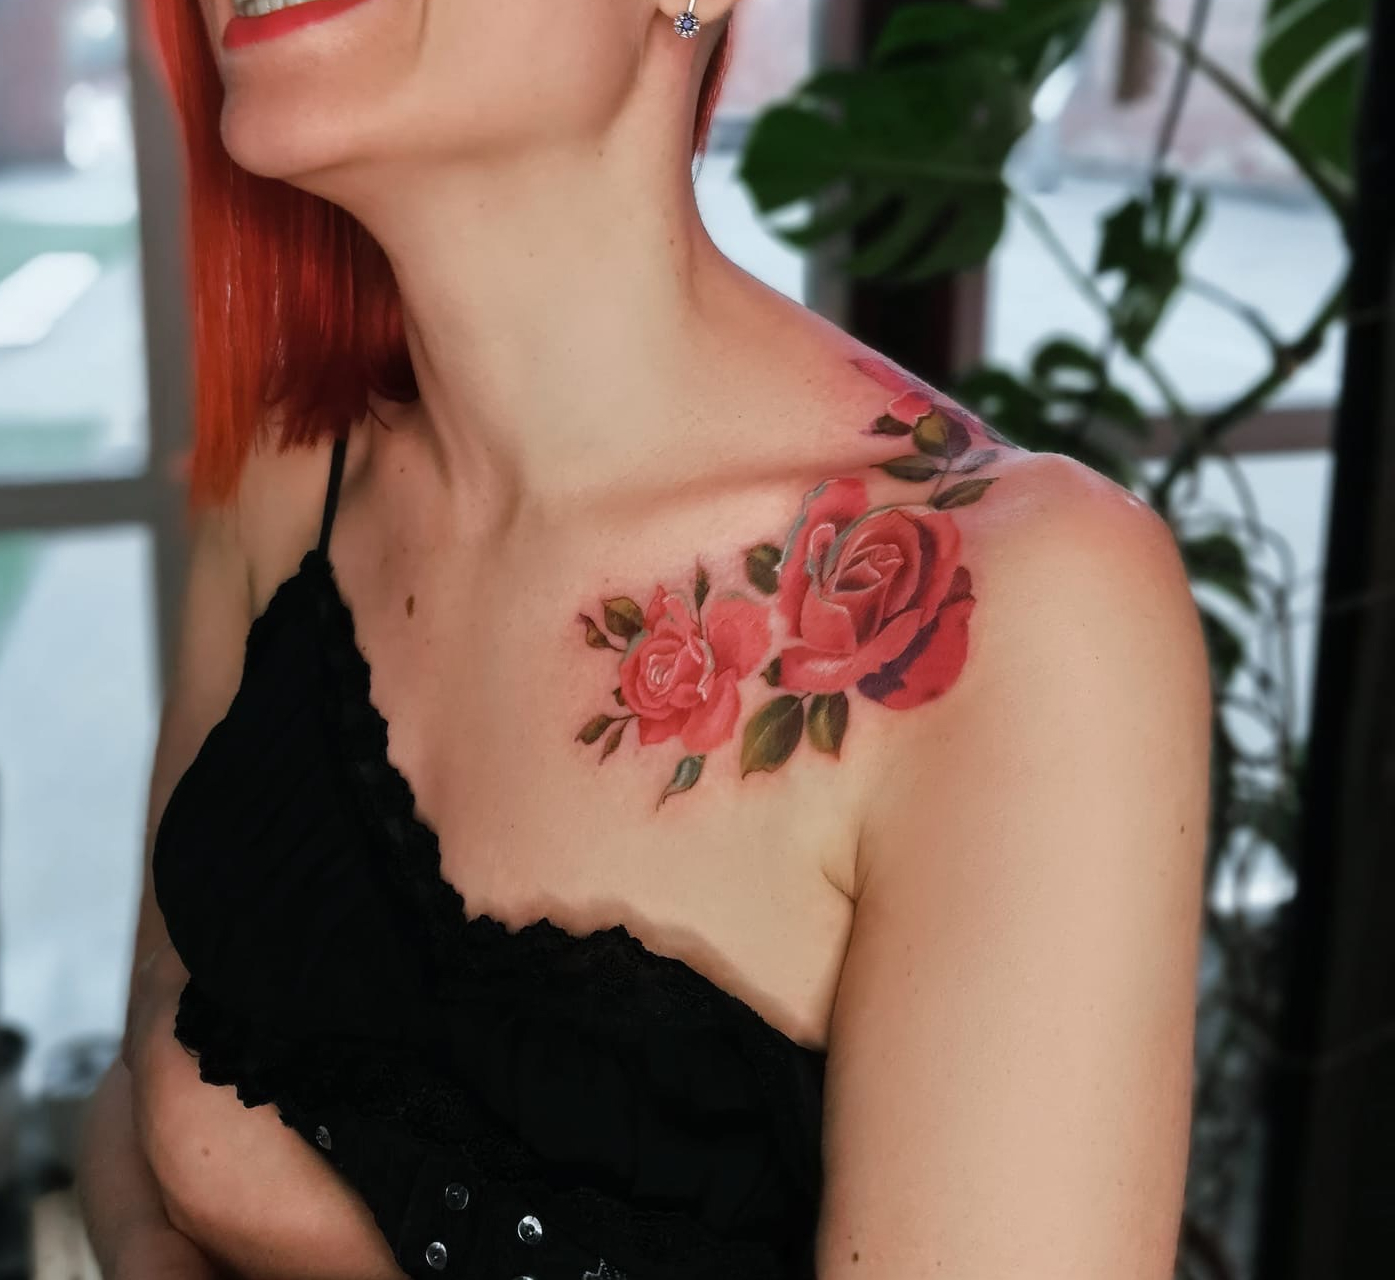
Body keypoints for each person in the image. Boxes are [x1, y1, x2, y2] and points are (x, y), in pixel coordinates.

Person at [75, 1, 1214, 1277]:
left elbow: (185, 1122)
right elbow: (136, 1093)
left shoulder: (1029, 612)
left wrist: (271, 1217)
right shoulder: (288, 489)